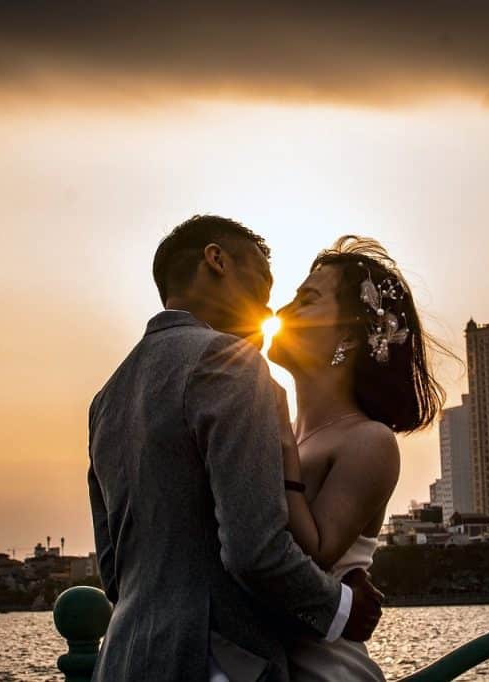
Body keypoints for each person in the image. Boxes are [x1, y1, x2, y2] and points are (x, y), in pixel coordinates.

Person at [87, 216, 384, 681]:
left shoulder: (106, 399)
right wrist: (343, 607)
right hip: (215, 661)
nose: (270, 304)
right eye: (263, 280)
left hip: (123, 659)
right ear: (216, 259)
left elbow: (113, 570)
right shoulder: (230, 364)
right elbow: (254, 551)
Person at [268, 236, 444, 680]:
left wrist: (282, 445)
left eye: (306, 300)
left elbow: (315, 556)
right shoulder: (280, 432)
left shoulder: (368, 440)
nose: (281, 312)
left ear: (348, 332)